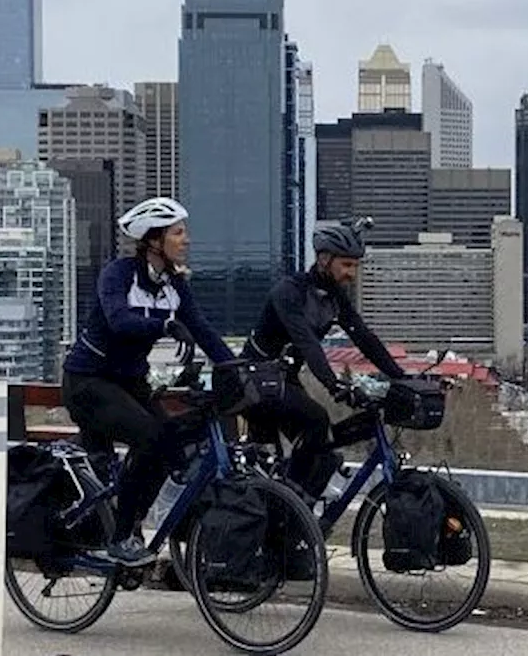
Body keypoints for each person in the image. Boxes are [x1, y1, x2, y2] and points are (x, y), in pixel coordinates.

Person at [61, 196, 236, 566]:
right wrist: (165, 325)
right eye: (178, 233)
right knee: (150, 437)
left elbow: (201, 329)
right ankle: (121, 536)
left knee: (169, 441)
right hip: (88, 381)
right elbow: (118, 321)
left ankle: (132, 520)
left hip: (130, 381)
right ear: (154, 240)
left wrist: (236, 366)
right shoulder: (119, 274)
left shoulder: (173, 282)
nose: (186, 240)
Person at [240, 217, 407, 500]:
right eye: (346, 265)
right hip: (255, 379)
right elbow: (306, 342)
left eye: (355, 266)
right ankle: (287, 506)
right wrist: (333, 385)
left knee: (324, 456)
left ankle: (293, 520)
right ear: (324, 259)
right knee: (317, 421)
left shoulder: (334, 297)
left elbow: (364, 337)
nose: (351, 274)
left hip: (284, 381)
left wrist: (401, 376)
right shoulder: (289, 291)